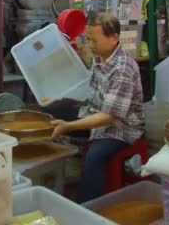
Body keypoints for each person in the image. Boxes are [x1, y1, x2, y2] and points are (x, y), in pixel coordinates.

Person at [51, 12, 144, 203]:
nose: (90, 45)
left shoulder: (123, 69)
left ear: (114, 38)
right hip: (95, 112)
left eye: (94, 40)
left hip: (121, 128)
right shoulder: (102, 55)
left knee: (94, 157)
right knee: (51, 112)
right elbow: (92, 63)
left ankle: (86, 208)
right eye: (87, 39)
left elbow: (108, 118)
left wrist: (68, 127)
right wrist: (81, 48)